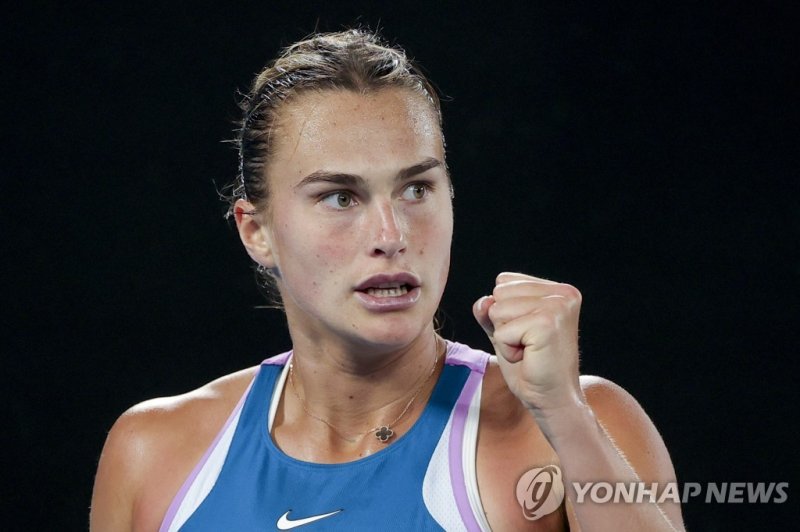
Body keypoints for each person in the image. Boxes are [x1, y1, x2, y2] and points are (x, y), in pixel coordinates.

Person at [90, 29, 685, 531]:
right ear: (257, 231)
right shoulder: (154, 455)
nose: (391, 232)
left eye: (416, 188)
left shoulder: (573, 426)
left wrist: (564, 415)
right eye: (340, 196)